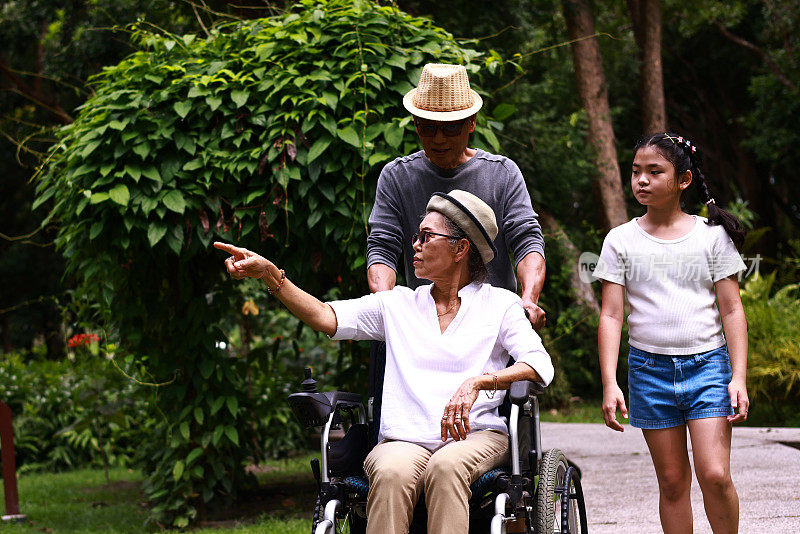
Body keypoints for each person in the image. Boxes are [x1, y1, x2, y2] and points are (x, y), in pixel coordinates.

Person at [215, 190, 554, 534]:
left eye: (426, 237)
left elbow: (539, 365)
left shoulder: (500, 305)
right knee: (390, 472)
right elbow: (324, 316)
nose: (415, 246)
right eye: (415, 237)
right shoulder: (397, 304)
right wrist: (271, 275)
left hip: (475, 437)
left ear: (460, 248)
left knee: (446, 467)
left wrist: (479, 381)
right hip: (404, 441)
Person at [594, 133, 749, 533]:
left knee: (714, 474)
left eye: (654, 172)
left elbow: (732, 309)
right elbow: (612, 315)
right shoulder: (620, 240)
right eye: (635, 172)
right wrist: (610, 382)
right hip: (649, 371)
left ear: (683, 180)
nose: (641, 180)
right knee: (673, 481)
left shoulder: (711, 236)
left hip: (708, 368)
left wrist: (739, 377)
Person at [367, 63, 547, 328]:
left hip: (494, 326)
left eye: (450, 128)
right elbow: (382, 246)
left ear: (471, 123)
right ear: (416, 126)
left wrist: (528, 300)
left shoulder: (502, 174)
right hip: (427, 325)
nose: (439, 139)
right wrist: (384, 304)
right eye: (428, 128)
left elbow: (527, 240)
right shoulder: (397, 177)